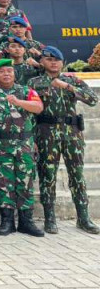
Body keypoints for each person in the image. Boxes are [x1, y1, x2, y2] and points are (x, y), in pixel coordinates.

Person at [29, 46, 99, 234]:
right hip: (46, 133)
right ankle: (49, 218)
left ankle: (83, 217)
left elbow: (92, 100)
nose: (53, 63)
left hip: (71, 133)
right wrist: (32, 138)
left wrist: (67, 87)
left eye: (57, 60)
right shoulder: (34, 83)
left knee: (77, 175)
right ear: (42, 62)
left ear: (62, 62)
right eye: (49, 59)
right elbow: (29, 113)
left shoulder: (72, 80)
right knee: (47, 175)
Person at [0, 59, 44, 237]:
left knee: (26, 181)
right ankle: (7, 221)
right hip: (0, 144)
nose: (6, 74)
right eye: (2, 71)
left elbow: (38, 107)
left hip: (24, 144)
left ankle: (26, 221)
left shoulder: (26, 91)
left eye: (9, 71)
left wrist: (19, 102)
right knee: (3, 183)